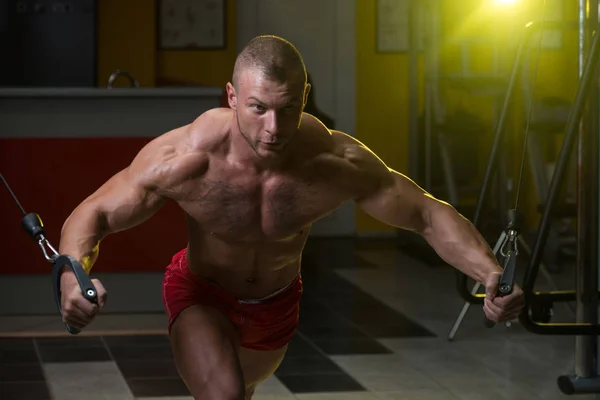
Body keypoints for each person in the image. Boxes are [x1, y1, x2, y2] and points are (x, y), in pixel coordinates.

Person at [57, 35, 525, 400]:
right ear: (232, 96)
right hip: (202, 294)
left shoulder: (332, 161)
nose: (274, 129)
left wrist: (490, 273)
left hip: (277, 307)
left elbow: (424, 213)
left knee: (243, 391)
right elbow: (95, 212)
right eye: (258, 108)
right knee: (224, 395)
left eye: (289, 109)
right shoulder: (187, 157)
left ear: (305, 95)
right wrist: (73, 276)